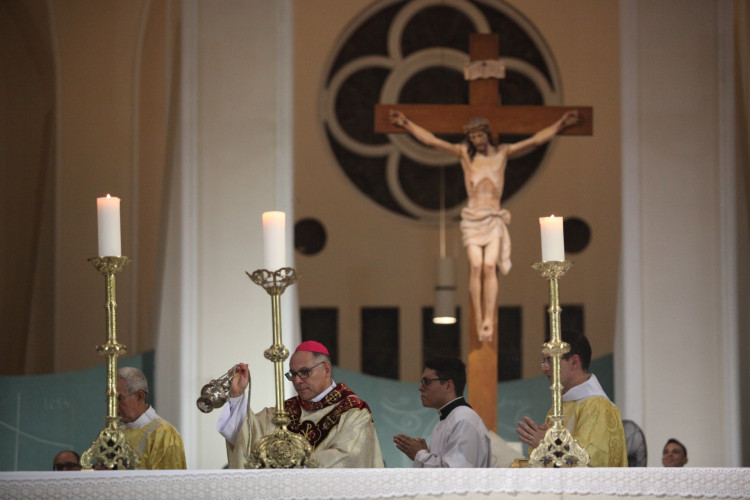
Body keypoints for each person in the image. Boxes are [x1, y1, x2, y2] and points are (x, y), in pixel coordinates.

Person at [389, 110, 580, 342]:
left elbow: (535, 140)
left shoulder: (502, 152)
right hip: (472, 219)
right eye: (473, 138)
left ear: (487, 135)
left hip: (493, 218)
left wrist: (560, 124)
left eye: (480, 136)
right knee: (476, 266)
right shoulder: (465, 155)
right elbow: (432, 140)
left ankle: (489, 318)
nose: (477, 142)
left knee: (490, 267)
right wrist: (406, 123)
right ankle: (478, 318)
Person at [217, 340, 384, 468]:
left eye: (304, 372)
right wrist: (237, 395)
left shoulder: (354, 411)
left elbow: (349, 457)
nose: (297, 380)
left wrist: (294, 462)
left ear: (326, 369)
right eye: (293, 374)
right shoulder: (284, 412)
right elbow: (246, 437)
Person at [515, 330, 628, 467]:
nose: (544, 368)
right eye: (543, 361)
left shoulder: (597, 406)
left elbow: (590, 463)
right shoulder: (560, 407)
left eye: (551, 360)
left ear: (574, 362)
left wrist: (549, 443)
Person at [394, 357, 491, 467]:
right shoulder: (448, 419)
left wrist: (420, 454)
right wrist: (427, 453)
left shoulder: (464, 420)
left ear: (448, 385)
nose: (420, 388)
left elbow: (457, 476)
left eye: (426, 382)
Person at [117, 366, 187, 469]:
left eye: (119, 398)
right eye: (110, 399)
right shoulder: (116, 434)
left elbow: (166, 482)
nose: (114, 405)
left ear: (140, 396)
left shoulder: (163, 433)